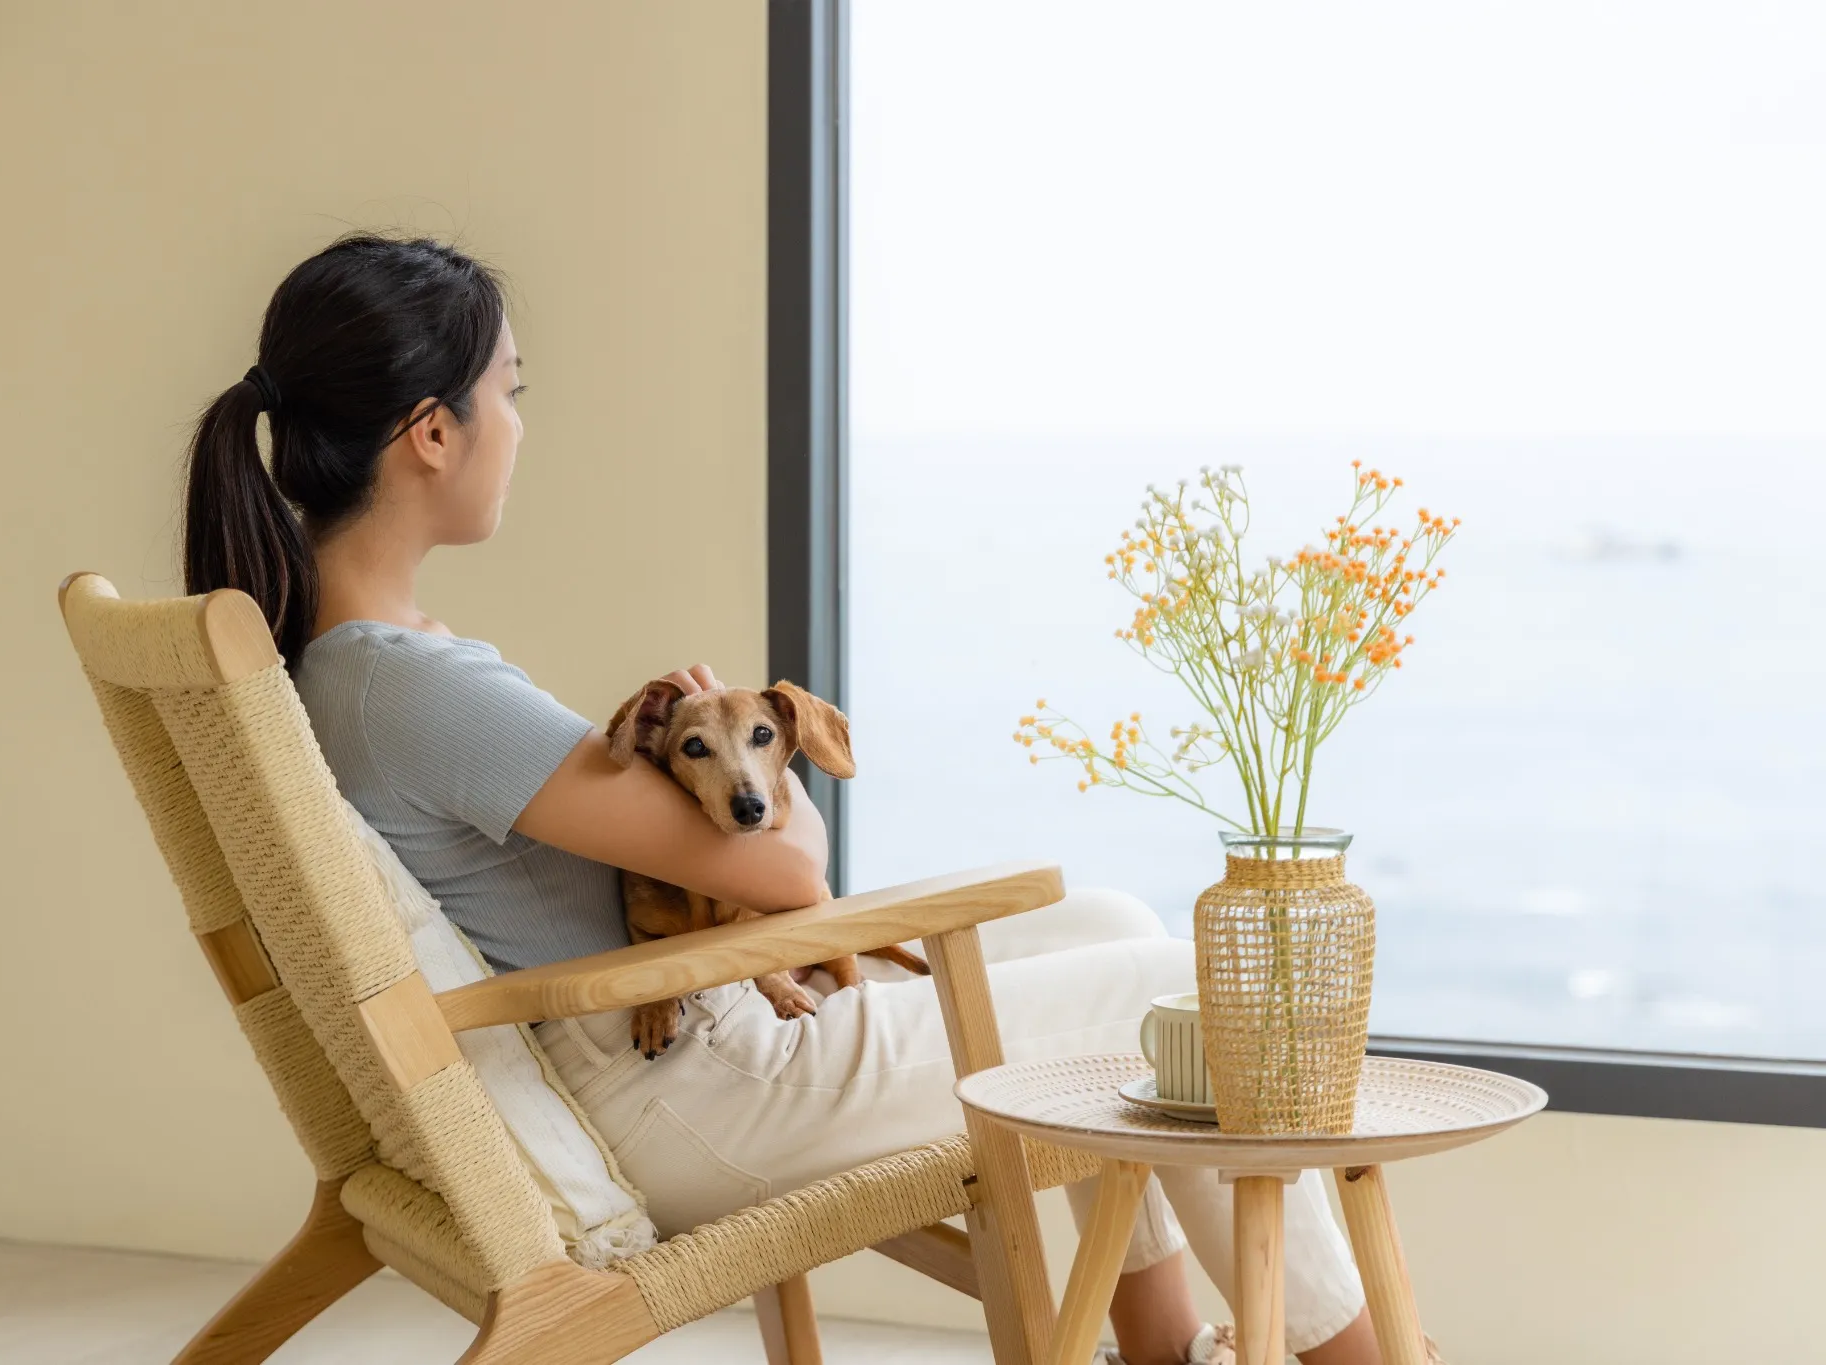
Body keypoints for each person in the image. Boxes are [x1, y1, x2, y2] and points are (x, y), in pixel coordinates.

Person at [181, 234, 1393, 1365]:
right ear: (433, 433)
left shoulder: (344, 666)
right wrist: (770, 763)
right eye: (511, 391)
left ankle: (1168, 1350)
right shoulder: (417, 687)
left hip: (677, 1044)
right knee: (1174, 991)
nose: (520, 424)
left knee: (1114, 927)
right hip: (694, 1082)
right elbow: (784, 871)